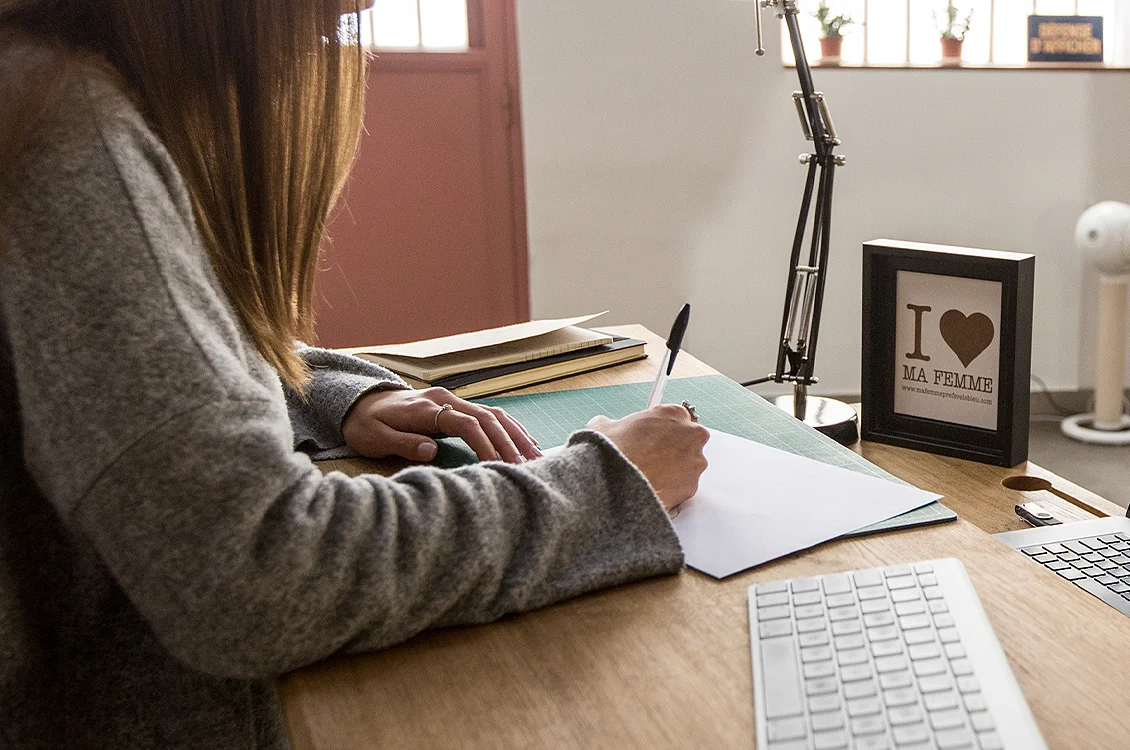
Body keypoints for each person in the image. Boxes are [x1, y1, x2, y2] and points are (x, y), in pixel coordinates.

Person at [0, 2, 709, 747]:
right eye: (326, 17)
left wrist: (333, 396)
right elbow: (258, 577)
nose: (326, 45)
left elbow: (151, 371)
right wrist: (605, 484)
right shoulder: (67, 137)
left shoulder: (46, 85)